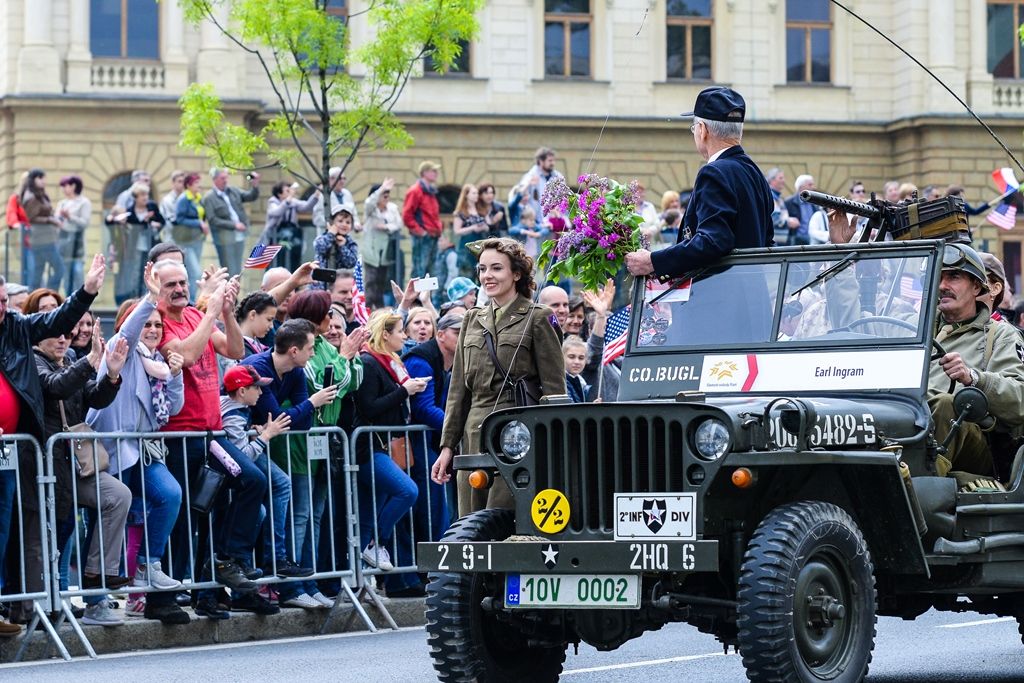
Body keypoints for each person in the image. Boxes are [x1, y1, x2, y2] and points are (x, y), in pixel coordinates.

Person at [153, 260, 267, 619]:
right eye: (170, 283)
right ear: (156, 286)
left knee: (250, 481)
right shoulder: (158, 320)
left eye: (182, 282)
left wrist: (229, 314)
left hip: (210, 433)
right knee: (184, 517)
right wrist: (211, 312)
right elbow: (185, 355)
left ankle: (224, 562)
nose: (179, 289)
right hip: (177, 436)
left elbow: (235, 351)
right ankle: (165, 599)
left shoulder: (191, 314)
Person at [0, 256, 105, 634]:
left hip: (16, 448)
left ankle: (16, 606)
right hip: (19, 446)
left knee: (13, 528)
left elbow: (56, 322)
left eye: (2, 302)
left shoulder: (13, 326)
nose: (1, 309)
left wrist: (88, 290)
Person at [432, 238, 566, 515]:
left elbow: (555, 391)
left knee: (504, 520)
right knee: (470, 523)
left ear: (516, 273)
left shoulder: (539, 317)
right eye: (482, 269)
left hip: (517, 436)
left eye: (496, 268)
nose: (487, 276)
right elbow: (458, 390)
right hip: (473, 434)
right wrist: (447, 446)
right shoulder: (471, 318)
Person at [87, 266, 189, 624]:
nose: (152, 330)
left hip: (142, 451)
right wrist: (150, 299)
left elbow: (173, 408)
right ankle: (96, 600)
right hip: (110, 453)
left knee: (170, 494)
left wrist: (174, 375)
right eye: (147, 324)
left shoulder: (157, 363)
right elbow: (130, 329)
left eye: (158, 326)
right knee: (106, 525)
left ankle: (149, 565)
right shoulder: (123, 351)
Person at [35, 313, 132, 627]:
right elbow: (55, 387)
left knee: (118, 495)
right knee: (58, 537)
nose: (64, 339)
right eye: (56, 335)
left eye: (67, 334)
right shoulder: (33, 363)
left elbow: (94, 397)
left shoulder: (71, 359)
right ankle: (50, 604)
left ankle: (96, 573)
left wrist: (112, 376)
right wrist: (90, 361)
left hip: (78, 463)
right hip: (49, 466)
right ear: (38, 338)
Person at [244, 317, 346, 609]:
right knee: (286, 500)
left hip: (267, 445)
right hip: (245, 445)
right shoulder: (260, 367)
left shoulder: (296, 372)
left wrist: (303, 409)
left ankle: (300, 580)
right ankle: (280, 573)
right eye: (311, 348)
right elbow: (281, 418)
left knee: (303, 512)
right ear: (293, 351)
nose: (314, 354)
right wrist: (312, 403)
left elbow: (299, 425)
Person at [625, 87, 774, 280]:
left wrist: (653, 261)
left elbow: (714, 241)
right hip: (753, 299)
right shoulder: (754, 173)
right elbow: (767, 241)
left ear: (702, 130)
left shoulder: (714, 172)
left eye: (694, 127)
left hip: (718, 301)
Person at [925, 243, 1024, 481]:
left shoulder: (1000, 335)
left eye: (954, 277)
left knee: (946, 404)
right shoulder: (915, 327)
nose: (942, 286)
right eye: (939, 277)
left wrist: (974, 378)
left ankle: (912, 486)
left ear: (977, 287)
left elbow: (1020, 399)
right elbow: (856, 331)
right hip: (909, 424)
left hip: (975, 442)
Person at [218, 364, 299, 615]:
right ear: (242, 391)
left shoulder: (238, 409)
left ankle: (242, 570)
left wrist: (254, 434)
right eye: (256, 388)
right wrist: (266, 437)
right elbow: (242, 459)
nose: (261, 394)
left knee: (260, 513)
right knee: (259, 511)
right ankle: (238, 565)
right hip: (228, 487)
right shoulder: (233, 413)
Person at [355, 311, 425, 571]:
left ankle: (359, 574)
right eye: (400, 332)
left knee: (367, 513)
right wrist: (403, 392)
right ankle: (376, 544)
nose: (404, 336)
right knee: (407, 490)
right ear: (385, 334)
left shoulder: (389, 361)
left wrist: (408, 389)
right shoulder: (369, 362)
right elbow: (369, 407)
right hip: (366, 448)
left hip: (381, 444)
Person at [106, 182, 166, 303]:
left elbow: (162, 222)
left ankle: (148, 299)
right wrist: (112, 219)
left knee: (149, 273)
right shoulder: (129, 211)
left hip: (151, 245)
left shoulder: (152, 207)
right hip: (134, 248)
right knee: (135, 274)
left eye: (146, 194)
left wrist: (154, 224)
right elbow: (114, 224)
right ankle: (136, 300)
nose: (145, 197)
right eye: (142, 194)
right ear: (135, 197)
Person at [202, 168, 260, 275]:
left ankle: (235, 290)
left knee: (237, 269)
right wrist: (234, 225)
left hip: (240, 236)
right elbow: (213, 220)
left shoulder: (233, 191)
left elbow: (251, 196)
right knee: (229, 269)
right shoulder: (209, 198)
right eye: (222, 178)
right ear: (215, 179)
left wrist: (255, 185)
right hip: (224, 239)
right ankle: (228, 291)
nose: (226, 180)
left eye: (226, 177)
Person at [262, 181, 320, 273]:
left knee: (292, 258)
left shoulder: (292, 202)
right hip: (275, 236)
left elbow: (306, 207)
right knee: (276, 261)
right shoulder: (273, 202)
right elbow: (276, 212)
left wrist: (316, 196)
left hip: (291, 234)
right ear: (279, 194)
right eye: (287, 191)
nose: (290, 193)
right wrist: (288, 200)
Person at [21, 169, 64, 290]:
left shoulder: (40, 194)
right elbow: (31, 218)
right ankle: (49, 294)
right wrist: (51, 220)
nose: (44, 181)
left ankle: (37, 299)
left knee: (38, 273)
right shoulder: (31, 196)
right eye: (41, 178)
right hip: (43, 239)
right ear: (33, 179)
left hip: (43, 238)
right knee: (59, 269)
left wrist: (54, 218)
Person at [363, 179, 402, 308]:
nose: (386, 197)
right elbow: (369, 202)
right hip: (371, 250)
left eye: (387, 194)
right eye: (383, 194)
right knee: (370, 280)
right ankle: (367, 307)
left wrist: (386, 227)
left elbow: (398, 224)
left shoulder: (392, 208)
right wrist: (380, 188)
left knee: (381, 281)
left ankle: (379, 308)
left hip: (385, 250)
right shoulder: (371, 208)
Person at [172, 173, 210, 300]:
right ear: (188, 185)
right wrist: (198, 223)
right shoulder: (184, 199)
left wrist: (203, 224)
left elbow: (202, 216)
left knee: (191, 272)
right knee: (195, 272)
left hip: (196, 239)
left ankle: (189, 298)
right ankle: (191, 300)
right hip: (185, 241)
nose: (199, 186)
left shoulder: (198, 198)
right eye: (196, 183)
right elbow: (179, 219)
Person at [402, 161, 443, 278]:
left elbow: (433, 216)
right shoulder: (415, 191)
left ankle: (427, 296)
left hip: (433, 236)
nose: (436, 173)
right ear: (424, 173)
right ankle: (416, 296)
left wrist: (438, 230)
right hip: (423, 237)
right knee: (419, 270)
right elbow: (407, 215)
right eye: (433, 171)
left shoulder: (431, 192)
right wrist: (421, 232)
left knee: (431, 272)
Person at [56, 175, 92, 296]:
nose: (63, 189)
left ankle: (80, 300)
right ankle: (68, 302)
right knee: (66, 275)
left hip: (77, 243)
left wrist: (69, 217)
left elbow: (84, 223)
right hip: (63, 242)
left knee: (77, 272)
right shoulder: (62, 203)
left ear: (74, 186)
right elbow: (57, 221)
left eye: (66, 185)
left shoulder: (84, 202)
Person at [518, 147, 564, 222]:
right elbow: (519, 194)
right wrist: (529, 183)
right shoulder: (530, 176)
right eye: (550, 161)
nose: (553, 163)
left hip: (553, 223)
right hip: (534, 222)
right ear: (541, 161)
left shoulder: (558, 177)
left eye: (553, 160)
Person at [315, 204, 360, 271]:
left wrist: (342, 247)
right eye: (340, 221)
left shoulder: (350, 242)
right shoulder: (324, 237)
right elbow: (319, 248)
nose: (344, 225)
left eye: (348, 222)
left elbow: (351, 263)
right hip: (322, 278)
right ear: (332, 223)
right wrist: (331, 235)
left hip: (340, 278)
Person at [765, 168, 798, 246]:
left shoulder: (778, 198)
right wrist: (789, 222)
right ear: (772, 180)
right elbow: (774, 219)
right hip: (775, 243)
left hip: (780, 243)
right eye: (780, 178)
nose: (783, 181)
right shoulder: (771, 196)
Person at [562, 336, 590, 403]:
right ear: (562, 357)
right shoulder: (559, 382)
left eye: (581, 358)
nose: (577, 362)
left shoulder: (581, 382)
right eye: (571, 357)